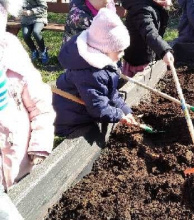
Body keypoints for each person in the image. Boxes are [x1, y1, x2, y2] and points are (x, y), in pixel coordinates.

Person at [53, 8, 137, 137]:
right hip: (70, 118)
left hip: (83, 110)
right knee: (84, 138)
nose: (123, 54)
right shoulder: (91, 74)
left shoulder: (104, 66)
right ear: (104, 50)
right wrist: (118, 115)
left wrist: (125, 110)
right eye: (119, 50)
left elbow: (110, 92)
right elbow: (98, 108)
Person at [0, 0, 56, 190]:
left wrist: (40, 141)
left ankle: (42, 52)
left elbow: (39, 103)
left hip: (20, 164)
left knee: (34, 32)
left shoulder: (11, 51)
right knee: (26, 32)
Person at [120, 0, 174, 77]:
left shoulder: (150, 5)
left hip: (146, 51)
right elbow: (149, 32)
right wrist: (164, 50)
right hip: (139, 58)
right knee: (137, 84)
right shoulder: (141, 10)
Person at [21, 0, 49, 64]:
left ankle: (43, 51)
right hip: (26, 19)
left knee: (36, 32)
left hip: (39, 18)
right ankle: (34, 50)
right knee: (25, 35)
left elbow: (44, 7)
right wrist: (19, 12)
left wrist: (32, 11)